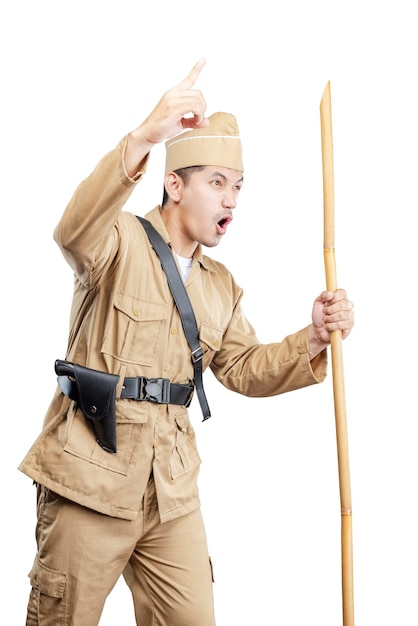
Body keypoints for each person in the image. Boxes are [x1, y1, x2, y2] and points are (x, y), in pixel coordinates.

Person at [19, 58, 355, 626]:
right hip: (90, 480)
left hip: (170, 490)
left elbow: (245, 368)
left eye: (239, 186)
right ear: (174, 184)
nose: (231, 200)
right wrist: (145, 136)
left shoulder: (218, 285)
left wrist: (315, 338)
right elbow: (72, 231)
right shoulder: (118, 240)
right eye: (217, 183)